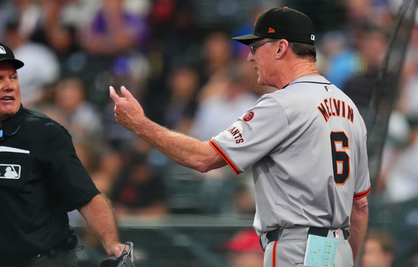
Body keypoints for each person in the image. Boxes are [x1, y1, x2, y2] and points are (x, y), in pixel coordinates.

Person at [110, 7, 370, 267]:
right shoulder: (349, 108)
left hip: (297, 250)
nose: (249, 58)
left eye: (255, 47)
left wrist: (140, 125)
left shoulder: (283, 104)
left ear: (280, 48)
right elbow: (359, 207)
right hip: (338, 250)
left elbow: (203, 158)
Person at [0, 42, 125, 266]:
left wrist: (112, 244)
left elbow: (87, 197)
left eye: (13, 77)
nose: (9, 86)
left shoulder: (45, 134)